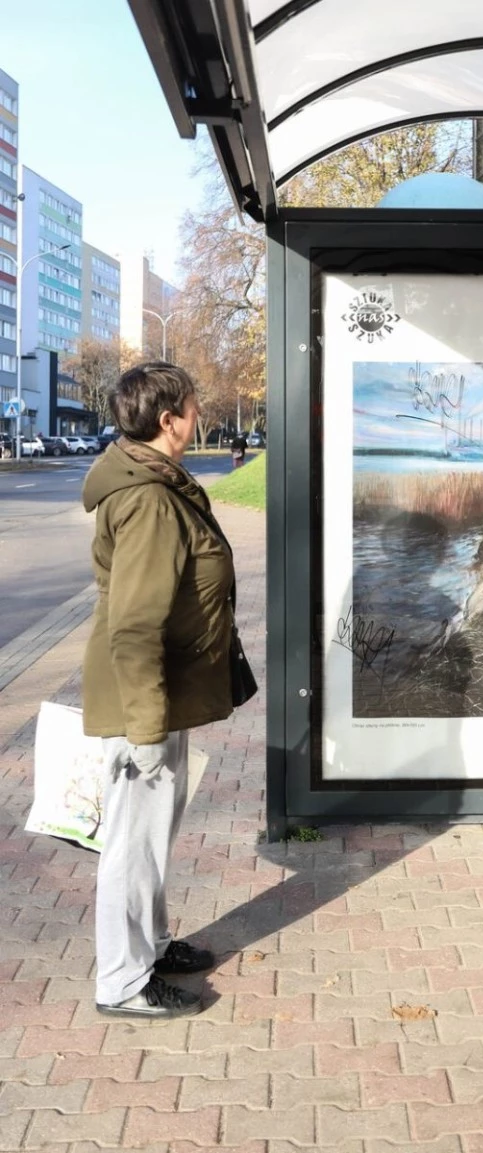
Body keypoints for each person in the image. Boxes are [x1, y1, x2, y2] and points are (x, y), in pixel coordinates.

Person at [81, 362, 237, 1018]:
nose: (198, 416)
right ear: (168, 419)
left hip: (159, 691)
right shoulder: (147, 499)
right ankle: (121, 980)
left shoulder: (156, 483)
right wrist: (144, 730)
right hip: (140, 698)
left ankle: (152, 942)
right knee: (132, 838)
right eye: (193, 408)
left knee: (151, 830)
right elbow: (136, 625)